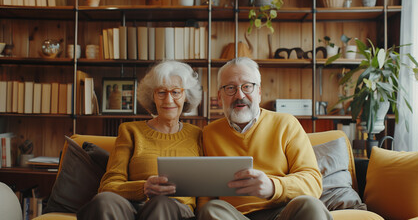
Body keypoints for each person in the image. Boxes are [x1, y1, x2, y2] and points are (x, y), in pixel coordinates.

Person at [197, 57, 332, 220]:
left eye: (247, 86)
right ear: (219, 97)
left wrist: (273, 187)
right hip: (233, 215)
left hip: (283, 212)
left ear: (259, 92)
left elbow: (313, 182)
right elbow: (205, 191)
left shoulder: (286, 124)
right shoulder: (209, 133)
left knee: (310, 205)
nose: (239, 95)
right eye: (230, 88)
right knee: (210, 209)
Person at [77, 60, 203, 220]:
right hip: (131, 207)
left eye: (176, 92)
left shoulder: (198, 135)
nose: (169, 100)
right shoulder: (130, 131)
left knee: (161, 203)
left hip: (176, 210)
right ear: (153, 96)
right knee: (104, 201)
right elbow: (108, 187)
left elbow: (206, 191)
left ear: (186, 96)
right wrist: (143, 187)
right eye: (161, 92)